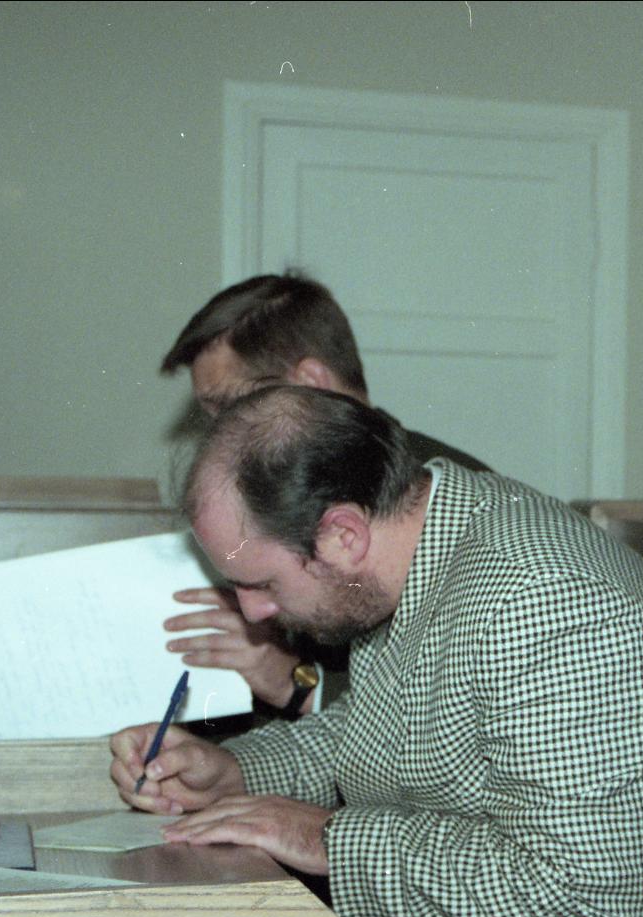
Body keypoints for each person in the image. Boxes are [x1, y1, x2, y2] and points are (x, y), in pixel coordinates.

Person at [110, 385, 643, 917]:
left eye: (261, 583)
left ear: (343, 533)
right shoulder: (427, 537)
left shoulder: (546, 602)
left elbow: (585, 889)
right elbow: (384, 726)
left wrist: (330, 840)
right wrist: (235, 772)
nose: (253, 611)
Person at [158, 271, 489, 719]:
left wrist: (293, 681)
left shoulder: (430, 501)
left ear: (311, 382)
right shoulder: (261, 488)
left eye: (232, 406)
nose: (220, 432)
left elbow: (439, 714)